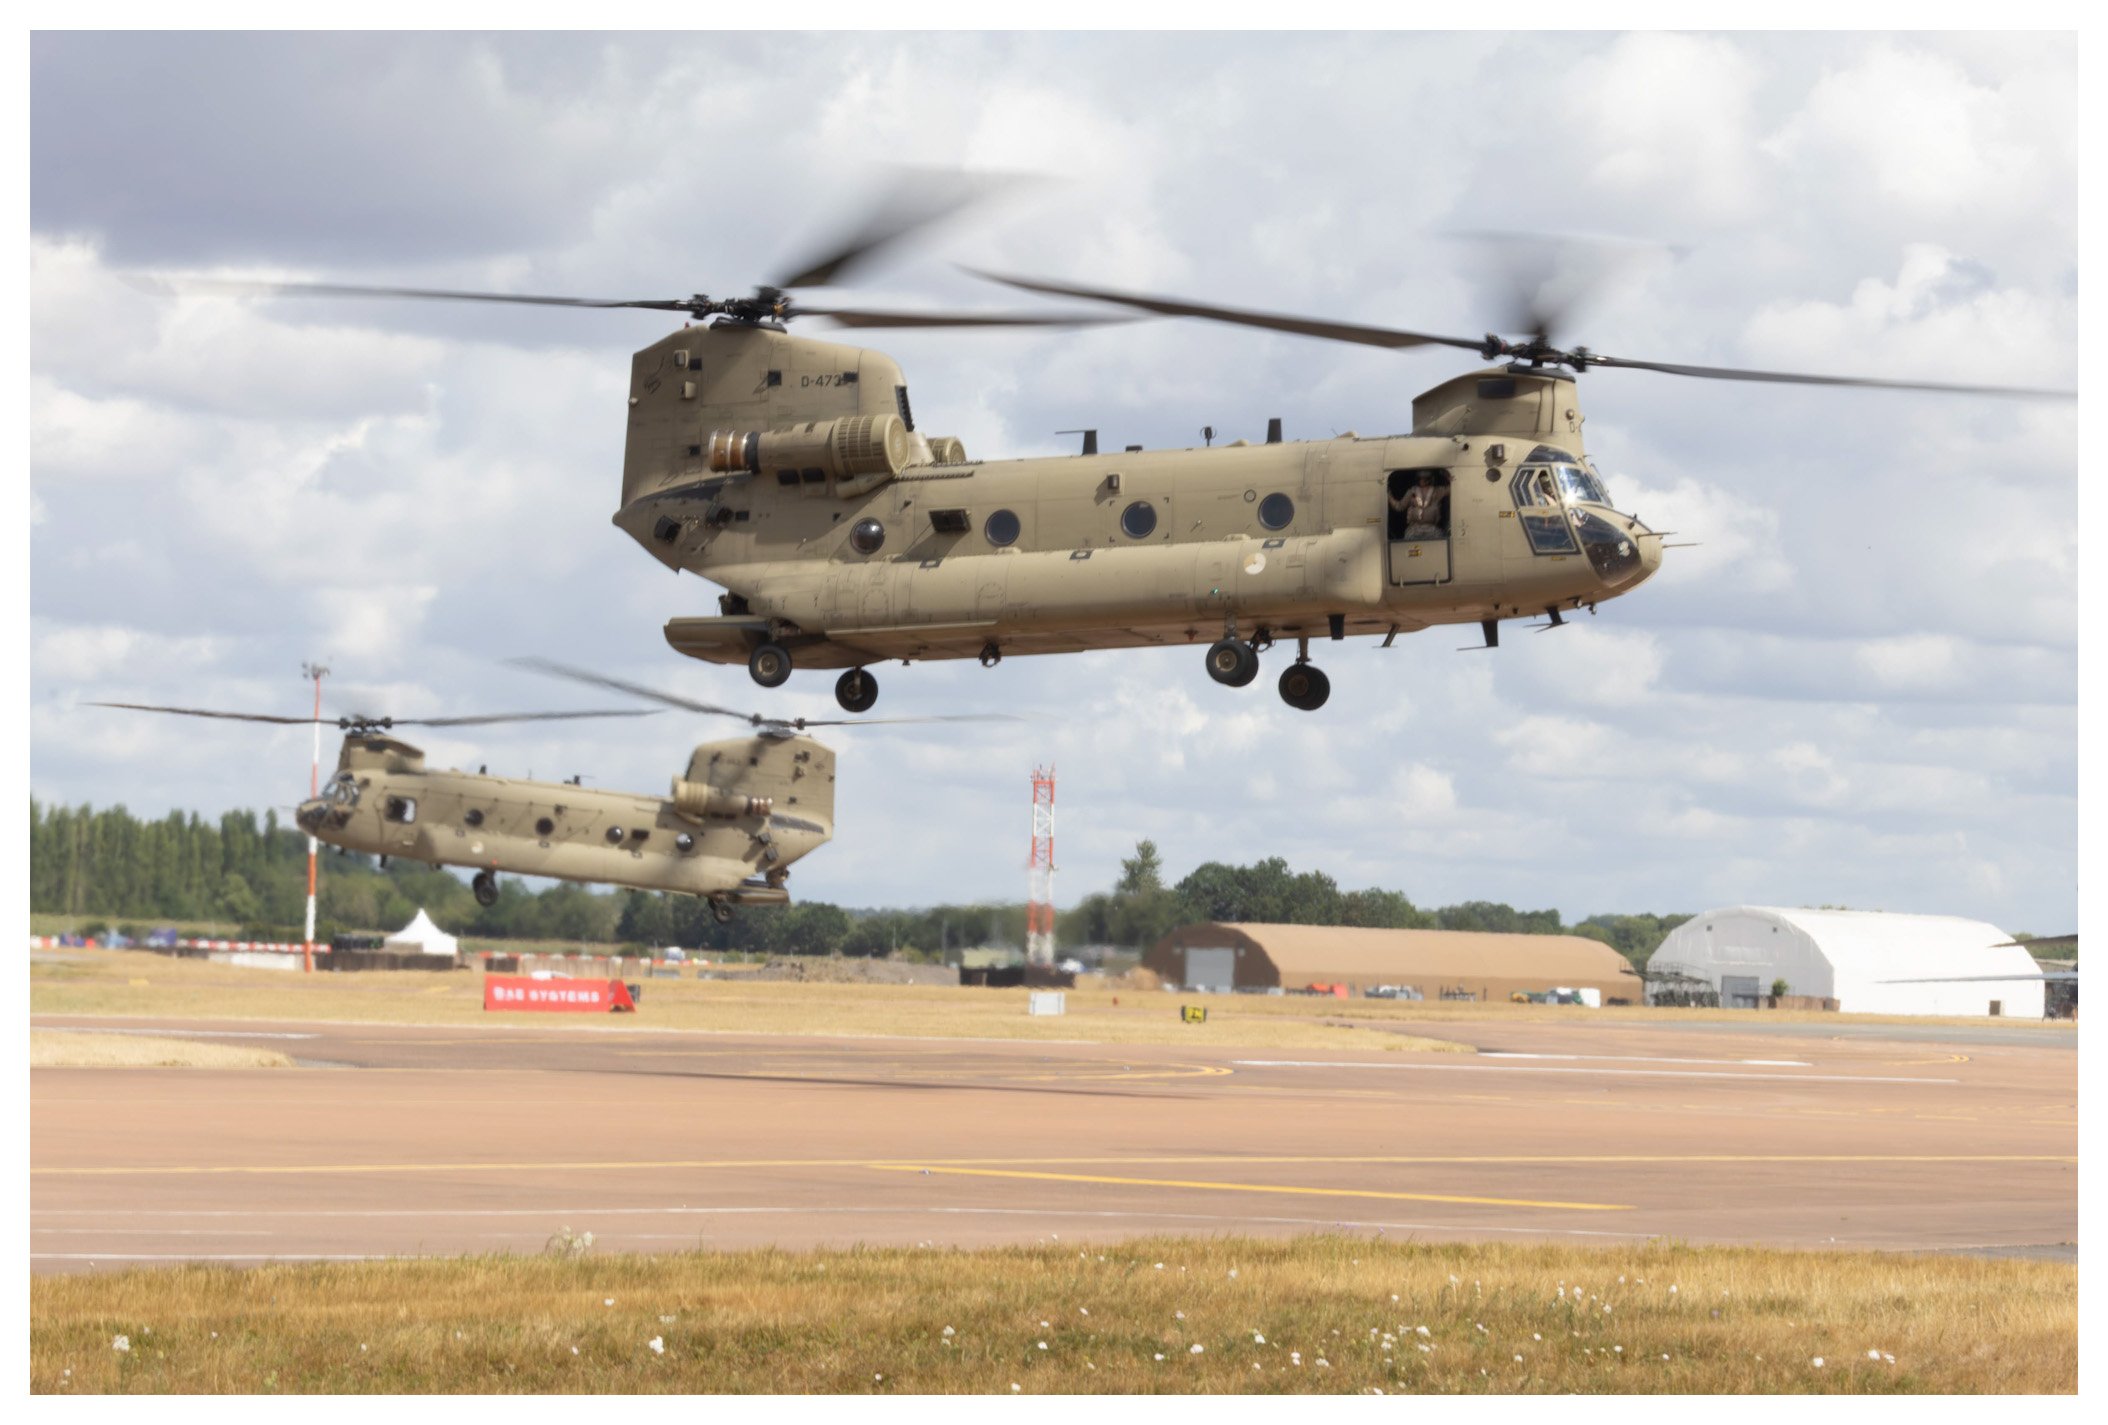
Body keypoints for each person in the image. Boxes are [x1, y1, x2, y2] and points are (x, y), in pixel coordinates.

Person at [1396, 472, 1447, 540]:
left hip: (1433, 530)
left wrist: (1448, 477)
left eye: (1426, 479)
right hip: (1414, 530)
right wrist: (1389, 496)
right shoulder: (1412, 492)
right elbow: (1400, 506)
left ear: (1430, 480)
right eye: (1421, 478)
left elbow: (1451, 488)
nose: (1423, 481)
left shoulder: (1437, 491)